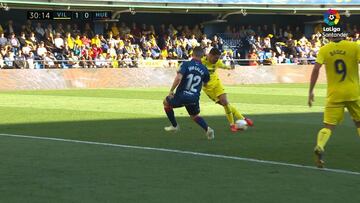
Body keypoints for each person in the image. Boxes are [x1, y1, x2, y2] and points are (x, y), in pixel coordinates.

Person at [308, 38, 360, 168]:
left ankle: (320, 146)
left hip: (334, 94)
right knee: (359, 123)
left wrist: (311, 91)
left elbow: (316, 69)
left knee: (328, 127)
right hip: (353, 92)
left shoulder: (324, 49)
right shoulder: (354, 46)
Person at [163, 46, 214, 139]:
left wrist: (171, 91)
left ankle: (175, 126)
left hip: (182, 95)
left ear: (192, 54)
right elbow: (205, 83)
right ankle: (208, 129)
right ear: (202, 56)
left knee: (166, 103)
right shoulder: (204, 69)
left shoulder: (185, 64)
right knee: (194, 115)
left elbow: (178, 78)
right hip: (194, 97)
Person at [201, 48, 253, 132]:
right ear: (210, 55)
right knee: (225, 104)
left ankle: (232, 125)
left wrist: (230, 67)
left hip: (217, 85)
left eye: (218, 58)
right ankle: (243, 118)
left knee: (225, 102)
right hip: (208, 89)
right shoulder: (201, 62)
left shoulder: (217, 62)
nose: (216, 60)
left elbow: (224, 66)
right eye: (215, 58)